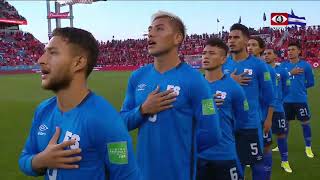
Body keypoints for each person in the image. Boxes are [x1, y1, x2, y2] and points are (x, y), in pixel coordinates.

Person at [18, 27, 140, 180]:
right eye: (45, 52)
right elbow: (24, 159)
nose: (41, 59)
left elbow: (127, 176)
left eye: (53, 52)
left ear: (78, 63)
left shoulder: (106, 120)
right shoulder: (43, 110)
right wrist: (40, 160)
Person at [120, 11, 221, 180]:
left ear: (177, 38)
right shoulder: (137, 77)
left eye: (159, 29)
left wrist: (179, 151)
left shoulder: (196, 81)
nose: (151, 33)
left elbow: (212, 134)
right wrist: (143, 110)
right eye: (150, 29)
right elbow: (121, 122)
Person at [222, 24, 274, 180]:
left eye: (236, 37)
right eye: (229, 37)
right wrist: (229, 81)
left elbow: (270, 96)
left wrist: (269, 119)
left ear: (246, 41)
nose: (231, 41)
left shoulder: (259, 66)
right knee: (234, 168)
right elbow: (209, 89)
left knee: (257, 164)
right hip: (226, 125)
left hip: (250, 124)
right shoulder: (223, 64)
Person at [198, 38, 250, 180]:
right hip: (197, 155)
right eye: (204, 53)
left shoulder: (234, 88)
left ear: (223, 59)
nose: (206, 56)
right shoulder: (193, 86)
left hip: (224, 154)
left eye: (212, 53)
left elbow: (242, 120)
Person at [247, 36, 276, 179]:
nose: (250, 47)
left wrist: (269, 118)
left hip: (262, 117)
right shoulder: (238, 66)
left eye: (253, 45)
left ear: (261, 49)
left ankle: (267, 174)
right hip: (245, 119)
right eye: (248, 45)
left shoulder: (266, 69)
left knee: (264, 149)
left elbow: (272, 96)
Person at [280, 42, 315, 158]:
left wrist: (299, 89)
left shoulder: (305, 66)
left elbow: (310, 82)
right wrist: (290, 73)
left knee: (305, 123)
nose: (289, 52)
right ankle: (282, 144)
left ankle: (308, 147)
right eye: (288, 50)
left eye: (292, 49)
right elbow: (277, 80)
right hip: (285, 101)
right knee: (285, 124)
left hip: (300, 100)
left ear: (299, 51)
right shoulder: (283, 66)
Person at [263, 48, 292, 173]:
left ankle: (285, 161)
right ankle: (257, 160)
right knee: (263, 137)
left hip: (278, 108)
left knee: (281, 134)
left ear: (275, 56)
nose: (266, 56)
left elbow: (287, 88)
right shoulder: (260, 70)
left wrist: (278, 99)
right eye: (264, 54)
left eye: (269, 53)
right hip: (263, 109)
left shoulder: (282, 71)